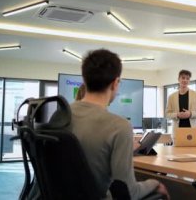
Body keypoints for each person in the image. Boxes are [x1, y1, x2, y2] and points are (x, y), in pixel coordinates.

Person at [70, 49, 169, 199]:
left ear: (85, 80)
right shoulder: (119, 126)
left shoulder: (61, 116)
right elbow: (128, 193)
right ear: (116, 83)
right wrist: (154, 183)